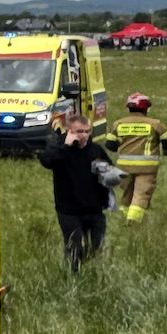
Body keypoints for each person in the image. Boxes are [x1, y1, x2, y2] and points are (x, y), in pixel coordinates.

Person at [38, 113, 116, 271]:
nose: (84, 135)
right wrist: (65, 146)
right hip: (69, 210)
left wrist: (110, 177)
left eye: (87, 131)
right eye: (79, 131)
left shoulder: (95, 150)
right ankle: (73, 275)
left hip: (94, 209)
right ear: (69, 131)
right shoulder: (59, 147)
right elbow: (47, 161)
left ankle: (90, 271)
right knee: (74, 246)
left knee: (96, 247)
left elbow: (110, 173)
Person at [103, 93, 167, 224]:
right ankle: (132, 221)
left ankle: (123, 216)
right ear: (146, 108)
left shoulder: (118, 124)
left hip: (124, 167)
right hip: (147, 167)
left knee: (127, 193)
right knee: (141, 193)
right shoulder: (155, 124)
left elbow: (110, 144)